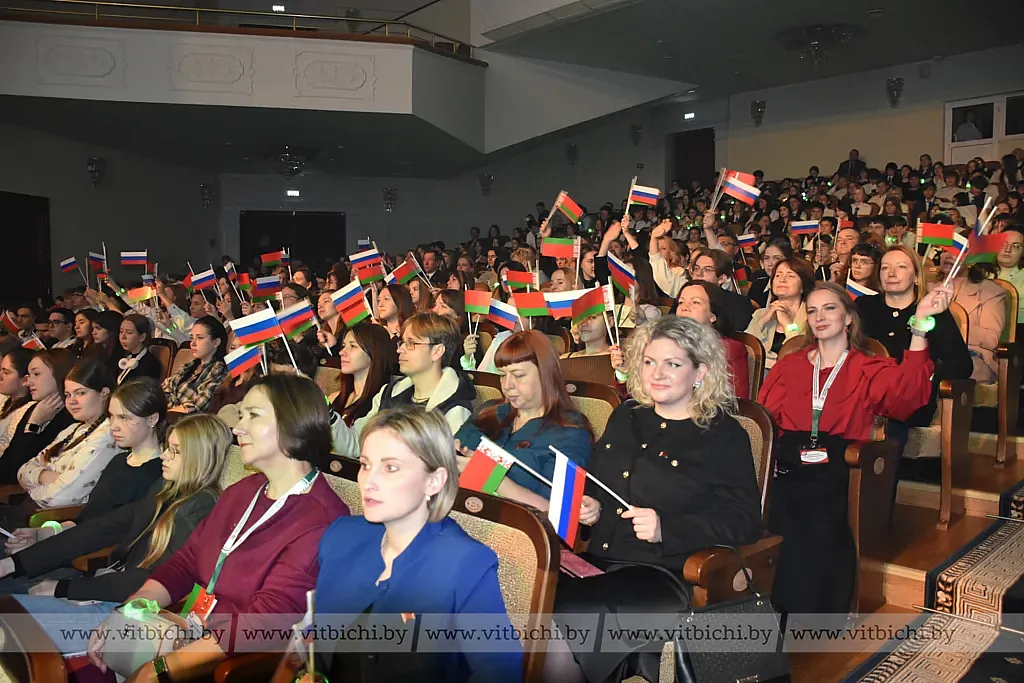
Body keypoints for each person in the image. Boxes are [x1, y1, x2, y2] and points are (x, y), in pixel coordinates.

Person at [85, 374, 349, 681]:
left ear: (293, 423)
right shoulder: (244, 491)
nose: (238, 428)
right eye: (240, 415)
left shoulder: (321, 519)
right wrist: (127, 616)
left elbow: (265, 623)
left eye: (253, 415)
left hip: (232, 665)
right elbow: (185, 563)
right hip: (188, 633)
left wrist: (163, 668)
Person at [546, 317, 762, 683]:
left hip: (664, 575)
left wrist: (667, 528)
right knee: (528, 596)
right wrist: (592, 506)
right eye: (649, 361)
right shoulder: (626, 415)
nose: (656, 373)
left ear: (700, 372)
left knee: (564, 614)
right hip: (598, 563)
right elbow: (599, 484)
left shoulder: (724, 435)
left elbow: (744, 520)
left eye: (672, 364)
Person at [759, 281, 951, 618]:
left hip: (839, 462)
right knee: (767, 504)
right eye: (813, 310)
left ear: (849, 318)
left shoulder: (867, 366)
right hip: (789, 459)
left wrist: (920, 324)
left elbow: (907, 398)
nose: (820, 317)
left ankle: (807, 613)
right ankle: (766, 609)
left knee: (811, 509)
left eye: (829, 308)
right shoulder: (791, 366)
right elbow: (764, 417)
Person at [309, 406, 522, 683]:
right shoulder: (341, 537)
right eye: (365, 464)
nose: (368, 482)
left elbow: (500, 671)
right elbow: (313, 641)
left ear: (434, 481)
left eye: (391, 468)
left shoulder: (466, 564)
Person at [0, 414, 225, 614]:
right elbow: (102, 528)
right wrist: (16, 563)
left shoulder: (200, 508)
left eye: (175, 451)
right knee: (11, 586)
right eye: (167, 447)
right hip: (109, 582)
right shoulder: (166, 489)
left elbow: (156, 579)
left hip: (128, 606)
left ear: (199, 457)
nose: (164, 456)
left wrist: (66, 588)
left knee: (12, 608)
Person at [6, 378, 168, 556]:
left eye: (124, 418)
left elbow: (111, 537)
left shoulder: (159, 474)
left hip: (92, 562)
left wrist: (41, 551)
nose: (114, 426)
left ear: (152, 418)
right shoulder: (119, 461)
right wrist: (41, 534)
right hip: (73, 547)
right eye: (111, 417)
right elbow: (85, 520)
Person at [454, 330, 592, 510]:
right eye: (502, 374)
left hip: (512, 531)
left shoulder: (570, 432)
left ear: (546, 374)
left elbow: (558, 515)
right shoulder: (488, 411)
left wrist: (492, 477)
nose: (506, 385)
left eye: (518, 375)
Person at [331, 313, 474, 457]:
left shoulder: (454, 410)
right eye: (402, 342)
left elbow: (443, 468)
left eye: (411, 343)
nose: (400, 349)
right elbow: (355, 444)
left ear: (437, 351)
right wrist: (329, 417)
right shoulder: (388, 393)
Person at [6, 360, 119, 526]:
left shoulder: (107, 435)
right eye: (67, 395)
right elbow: (22, 471)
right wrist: (49, 476)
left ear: (104, 393)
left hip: (50, 521)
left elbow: (60, 498)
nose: (71, 401)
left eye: (80, 393)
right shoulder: (73, 428)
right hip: (31, 510)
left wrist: (37, 479)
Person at [676, 282, 751, 400]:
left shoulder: (730, 349)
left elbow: (735, 401)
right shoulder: (667, 345)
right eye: (681, 302)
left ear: (713, 315)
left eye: (695, 302)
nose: (684, 307)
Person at [939, 252, 1006, 383]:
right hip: (932, 354)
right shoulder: (926, 288)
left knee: (944, 368)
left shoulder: (990, 291)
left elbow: (991, 338)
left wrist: (954, 327)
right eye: (944, 249)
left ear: (973, 260)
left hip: (973, 357)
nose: (948, 255)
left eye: (957, 251)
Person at [745, 257, 814, 375]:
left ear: (803, 285)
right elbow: (747, 348)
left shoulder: (812, 317)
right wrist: (762, 321)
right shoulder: (760, 314)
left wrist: (788, 325)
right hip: (759, 377)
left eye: (790, 276)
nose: (782, 280)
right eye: (777, 275)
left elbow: (800, 352)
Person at [328, 324, 396, 427]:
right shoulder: (334, 398)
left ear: (374, 351)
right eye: (343, 346)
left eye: (353, 346)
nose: (342, 352)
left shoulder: (382, 403)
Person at [162, 315, 228, 414]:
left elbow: (197, 406)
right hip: (166, 415)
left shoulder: (219, 370)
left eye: (200, 338)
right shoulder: (190, 365)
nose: (192, 343)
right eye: (192, 338)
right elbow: (165, 387)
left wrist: (165, 413)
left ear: (216, 342)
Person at [0, 348, 33, 460]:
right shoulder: (6, 399)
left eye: (6, 372)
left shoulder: (27, 410)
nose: (0, 376)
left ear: (25, 380)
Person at [115, 315, 163, 384]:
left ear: (142, 337)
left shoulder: (150, 364)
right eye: (121, 331)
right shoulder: (123, 357)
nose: (123, 337)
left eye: (129, 332)